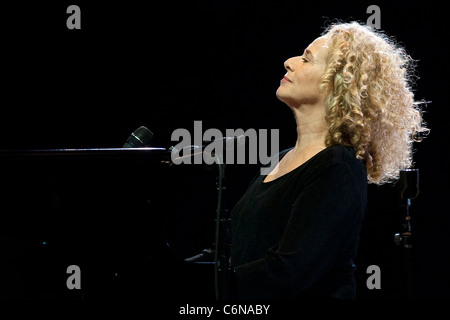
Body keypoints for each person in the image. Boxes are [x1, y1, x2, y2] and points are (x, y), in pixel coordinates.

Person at [230, 21, 428, 300]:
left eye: (306, 59)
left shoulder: (338, 167)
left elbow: (289, 271)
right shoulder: (278, 159)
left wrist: (209, 286)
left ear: (337, 84)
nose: (289, 62)